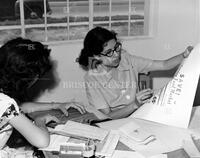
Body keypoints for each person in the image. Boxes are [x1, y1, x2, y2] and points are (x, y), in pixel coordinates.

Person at [77, 26, 193, 120]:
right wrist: (135, 104)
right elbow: (107, 116)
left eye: (117, 47)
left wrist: (184, 55)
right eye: (109, 52)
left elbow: (163, 65)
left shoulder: (127, 59)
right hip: (115, 123)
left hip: (138, 115)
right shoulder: (92, 79)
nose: (117, 54)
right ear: (96, 56)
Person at [0, 37, 86, 152]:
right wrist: (40, 121)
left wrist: (55, 105)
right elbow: (42, 141)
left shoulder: (4, 99)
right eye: (37, 75)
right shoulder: (5, 102)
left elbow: (20, 108)